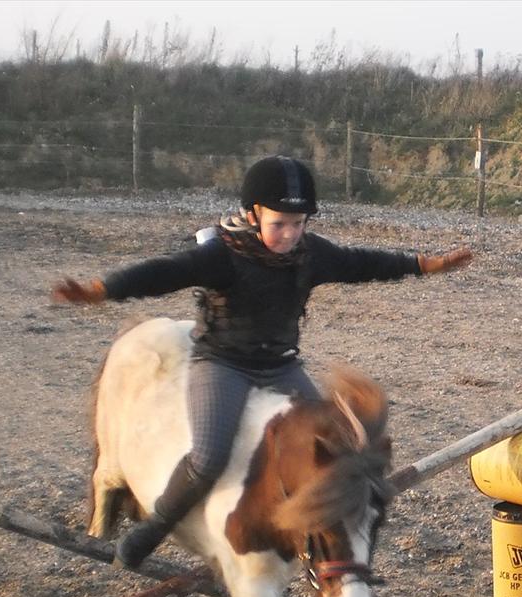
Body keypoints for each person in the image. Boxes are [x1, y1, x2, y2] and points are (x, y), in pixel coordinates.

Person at [53, 155, 471, 569]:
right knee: (209, 457)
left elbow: (363, 263)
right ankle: (155, 526)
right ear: (254, 215)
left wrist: (423, 265)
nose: (290, 234)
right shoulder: (222, 255)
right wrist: (102, 290)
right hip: (223, 364)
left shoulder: (313, 254)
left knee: (332, 446)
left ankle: (321, 535)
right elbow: (164, 272)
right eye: (279, 224)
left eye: (299, 223)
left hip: (281, 366)